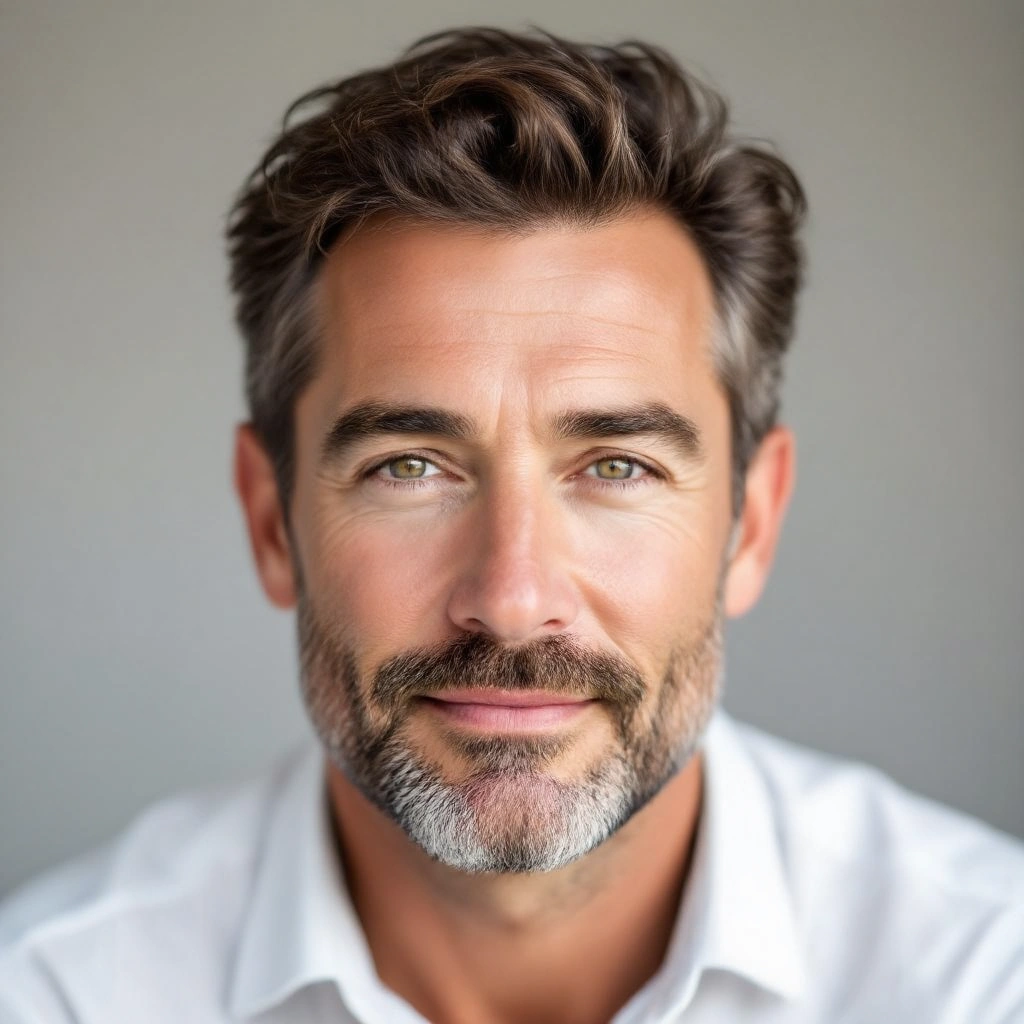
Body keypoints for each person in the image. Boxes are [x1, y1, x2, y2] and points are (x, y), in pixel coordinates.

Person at [0, 27, 1021, 1024]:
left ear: (749, 523)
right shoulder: (56, 994)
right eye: (409, 466)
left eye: (616, 466)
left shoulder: (981, 975)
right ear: (272, 520)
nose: (513, 598)